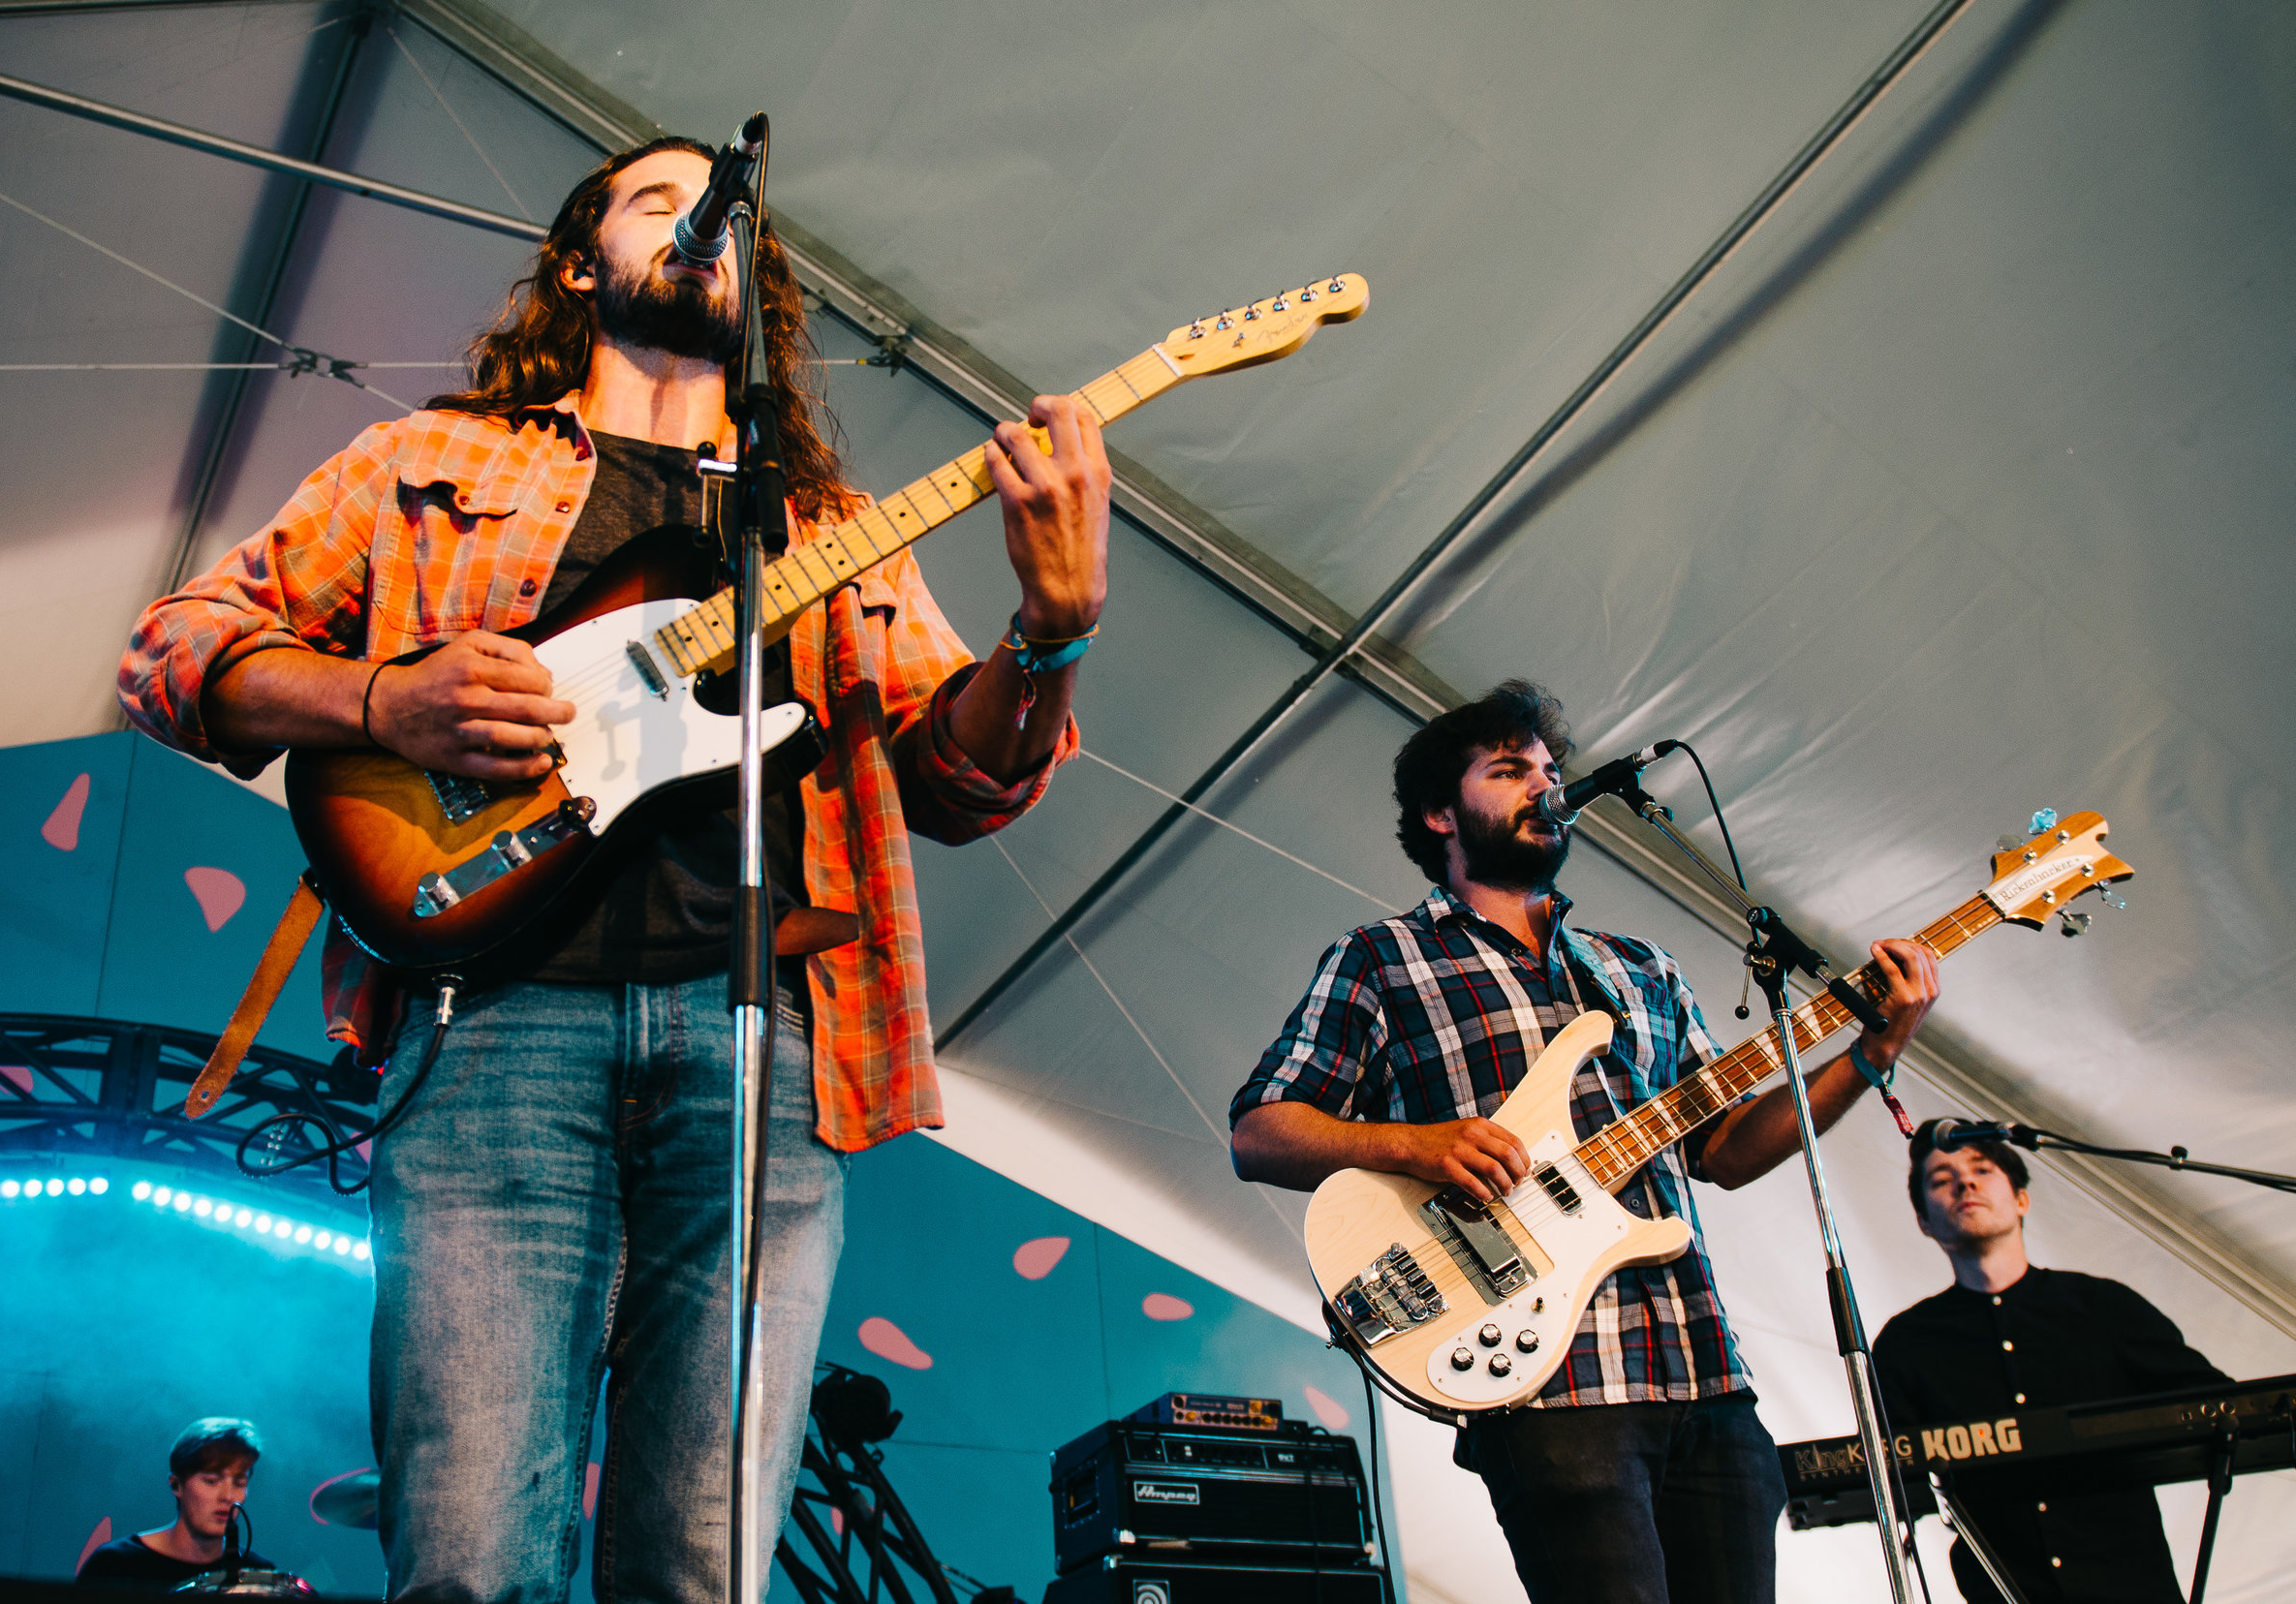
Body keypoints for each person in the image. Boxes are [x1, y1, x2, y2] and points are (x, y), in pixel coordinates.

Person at [117, 136, 1109, 1602]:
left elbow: (954, 781)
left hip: (762, 1060)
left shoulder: (827, 532)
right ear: (582, 262)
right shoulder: (432, 462)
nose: (701, 218)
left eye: (726, 212)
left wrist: (1051, 631)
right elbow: (175, 649)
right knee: (463, 1561)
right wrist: (383, 702)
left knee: (703, 1575)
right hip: (492, 1029)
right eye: (661, 197)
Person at [1227, 681, 1942, 1604]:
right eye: (1511, 769)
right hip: (1549, 1385)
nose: (1545, 784)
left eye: (1553, 769)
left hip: (1704, 1374)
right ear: (1441, 813)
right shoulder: (1383, 958)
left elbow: (1724, 1150)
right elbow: (1260, 1130)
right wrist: (1416, 1145)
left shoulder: (1641, 968)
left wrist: (1873, 1051)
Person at [1873, 1134, 2231, 1603]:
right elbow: (1888, 1473)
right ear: (1923, 1220)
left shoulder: (2103, 1307)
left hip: (2132, 1586)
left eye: (1981, 1171)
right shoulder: (1905, 1343)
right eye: (1941, 1180)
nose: (1964, 1184)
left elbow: (2218, 1407)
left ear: (2021, 1198)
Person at [76, 1418, 273, 1589]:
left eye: (239, 1482)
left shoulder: (260, 1575)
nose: (228, 1496)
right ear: (176, 1485)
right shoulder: (114, 1565)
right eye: (211, 1481)